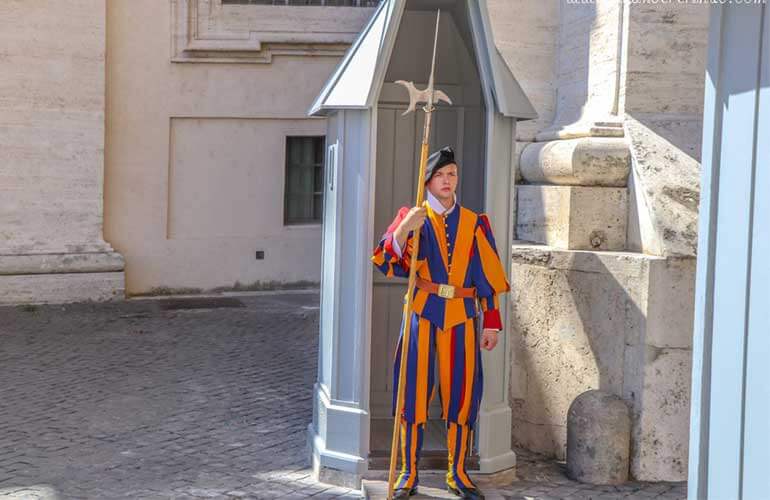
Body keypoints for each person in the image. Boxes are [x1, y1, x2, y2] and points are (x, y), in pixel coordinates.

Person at [371, 146, 511, 500]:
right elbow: (387, 261)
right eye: (440, 175)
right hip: (421, 310)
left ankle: (458, 473)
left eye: (452, 174)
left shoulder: (474, 222)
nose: (447, 181)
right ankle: (408, 472)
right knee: (413, 393)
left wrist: (491, 322)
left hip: (463, 314)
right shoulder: (412, 217)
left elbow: (487, 276)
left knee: (462, 394)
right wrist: (404, 228)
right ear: (428, 181)